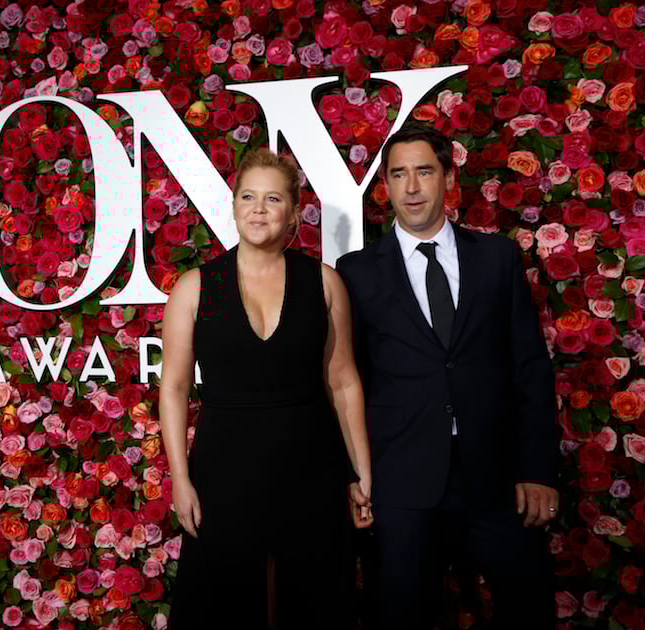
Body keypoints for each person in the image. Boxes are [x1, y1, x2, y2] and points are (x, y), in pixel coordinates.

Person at [337, 123, 558, 629]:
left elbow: (528, 366)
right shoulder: (357, 273)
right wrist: (355, 476)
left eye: (423, 172)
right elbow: (347, 383)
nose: (411, 187)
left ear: (448, 178)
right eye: (398, 175)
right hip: (401, 485)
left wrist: (539, 469)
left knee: (530, 610)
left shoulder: (497, 259)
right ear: (385, 187)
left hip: (498, 481)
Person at [160, 148, 372, 629]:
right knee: (224, 602)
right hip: (223, 467)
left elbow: (342, 381)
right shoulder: (195, 287)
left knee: (316, 598)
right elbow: (173, 388)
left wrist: (359, 471)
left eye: (272, 198)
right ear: (233, 206)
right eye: (248, 197)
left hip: (310, 465)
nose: (258, 208)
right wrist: (180, 478)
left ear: (293, 212)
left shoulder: (324, 283)